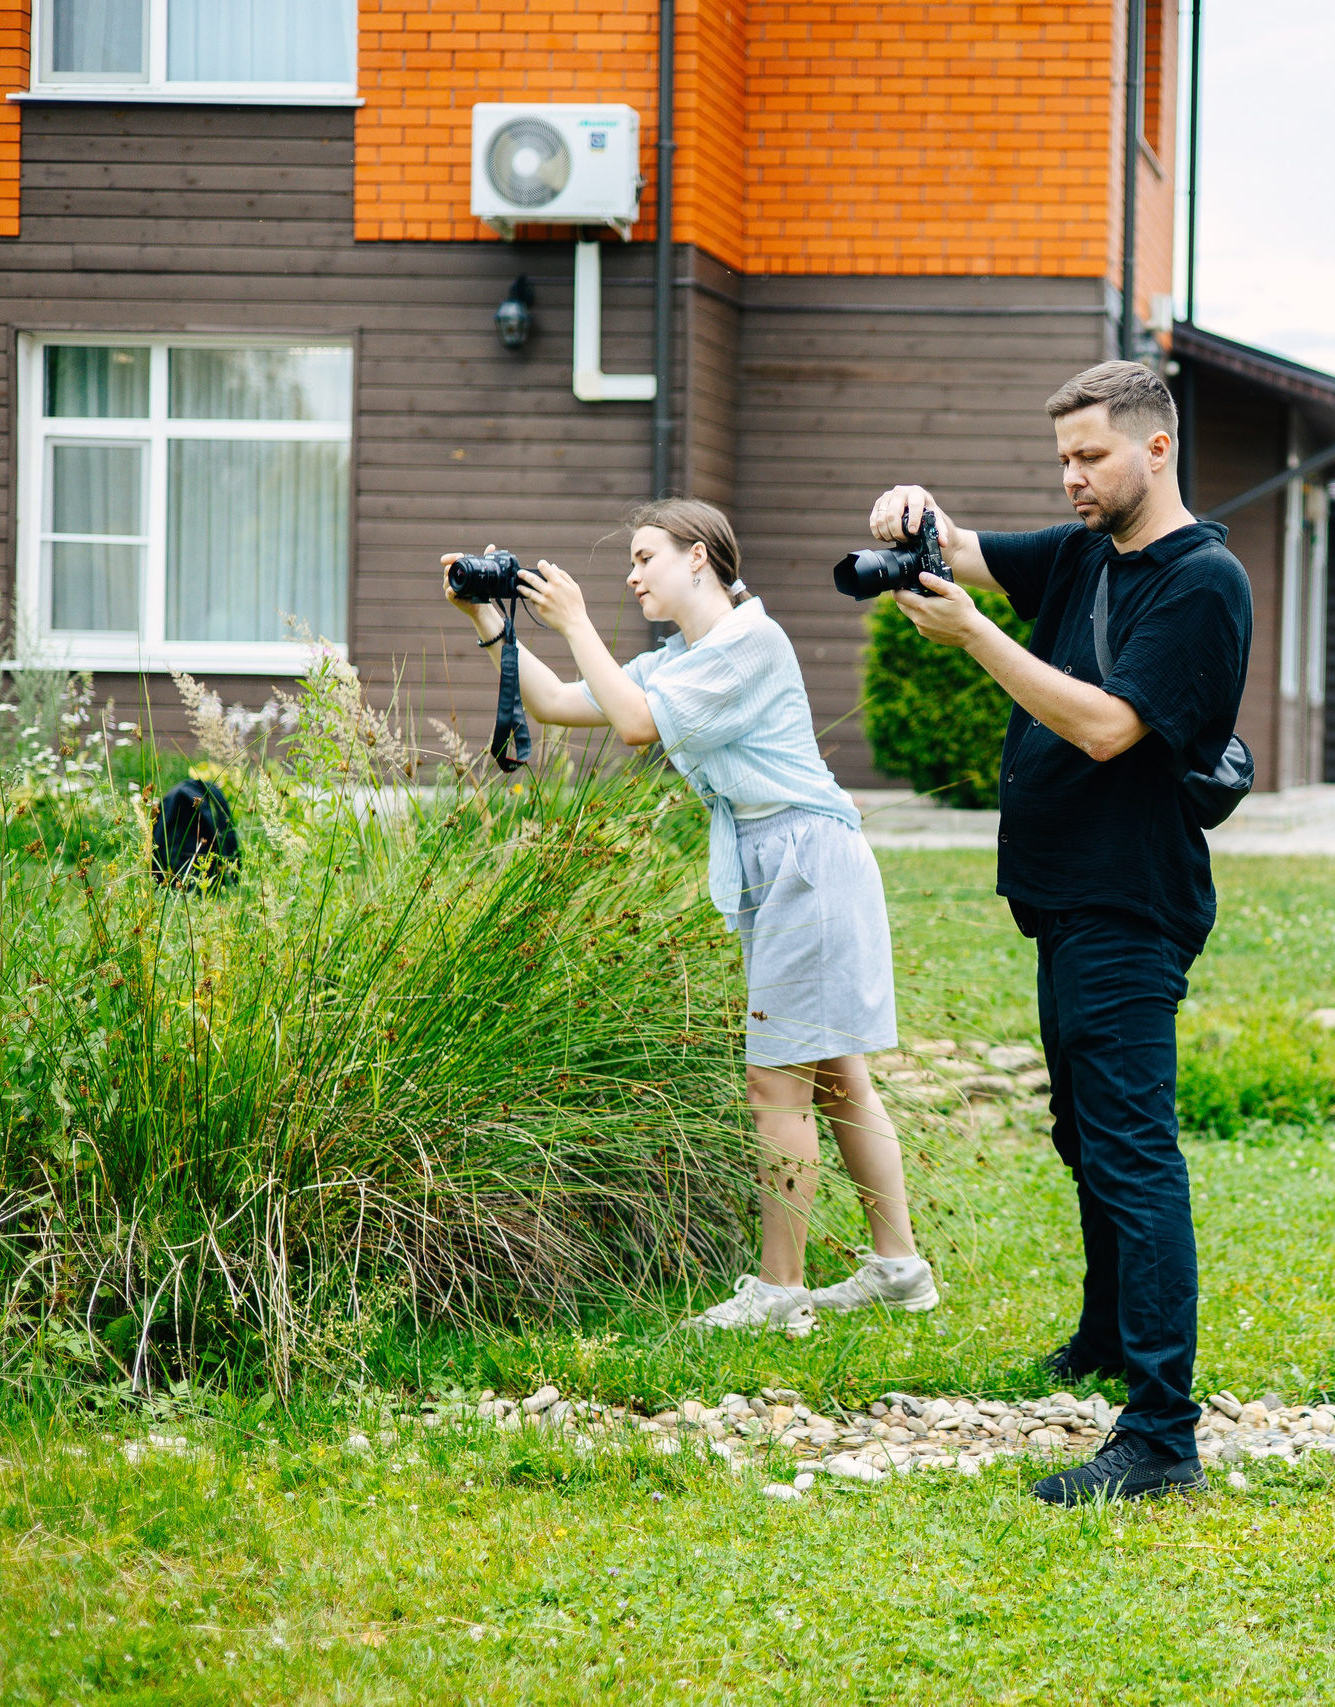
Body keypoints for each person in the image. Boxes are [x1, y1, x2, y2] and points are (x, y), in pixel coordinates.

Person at [867, 360, 1252, 1505]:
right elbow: (976, 549)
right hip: (1064, 899)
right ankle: (1099, 1340)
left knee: (1134, 1153)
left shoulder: (1202, 583)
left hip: (1131, 902)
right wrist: (916, 515)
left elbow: (1104, 728)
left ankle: (1160, 1438)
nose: (1073, 478)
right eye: (1063, 461)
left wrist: (976, 638)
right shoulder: (1086, 548)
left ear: (1155, 450)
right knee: (1085, 1135)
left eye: (1090, 458)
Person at [441, 499, 936, 1337]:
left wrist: (576, 620)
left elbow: (633, 726)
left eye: (643, 556)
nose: (631, 575)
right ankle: (898, 1270)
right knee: (837, 1075)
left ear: (699, 556)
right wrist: (492, 616)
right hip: (787, 862)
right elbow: (564, 702)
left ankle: (780, 1295)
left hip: (804, 864)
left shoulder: (749, 644)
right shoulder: (686, 657)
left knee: (774, 1083)